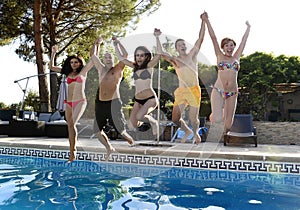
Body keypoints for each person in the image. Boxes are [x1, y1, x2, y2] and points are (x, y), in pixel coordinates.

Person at [202, 12, 250, 137]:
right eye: (227, 45)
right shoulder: (219, 55)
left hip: (232, 92)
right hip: (219, 90)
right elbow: (213, 38)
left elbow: (243, 42)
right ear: (223, 47)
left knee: (228, 125)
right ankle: (215, 114)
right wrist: (207, 20)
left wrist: (248, 28)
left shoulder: (236, 57)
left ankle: (221, 118)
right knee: (217, 119)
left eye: (231, 45)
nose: (230, 47)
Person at [162, 12, 206, 144]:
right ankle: (187, 131)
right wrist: (158, 37)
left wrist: (203, 22)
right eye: (179, 44)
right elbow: (162, 53)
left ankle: (196, 132)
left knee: (194, 118)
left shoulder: (192, 55)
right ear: (176, 48)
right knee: (175, 118)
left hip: (193, 90)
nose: (182, 45)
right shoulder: (175, 61)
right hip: (181, 91)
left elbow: (201, 38)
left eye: (183, 44)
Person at [90, 36, 135, 161]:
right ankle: (109, 147)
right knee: (97, 131)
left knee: (121, 132)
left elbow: (125, 55)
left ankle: (132, 142)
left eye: (110, 57)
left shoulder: (118, 68)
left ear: (113, 59)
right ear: (103, 60)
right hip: (100, 104)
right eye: (106, 57)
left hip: (114, 103)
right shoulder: (101, 69)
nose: (108, 59)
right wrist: (97, 43)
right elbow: (93, 55)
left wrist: (118, 43)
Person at [114, 28, 163, 138]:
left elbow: (159, 54)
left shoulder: (149, 66)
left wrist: (157, 37)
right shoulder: (134, 66)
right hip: (138, 100)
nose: (139, 57)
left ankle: (153, 122)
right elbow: (121, 58)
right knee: (133, 124)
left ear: (146, 56)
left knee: (140, 116)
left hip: (150, 98)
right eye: (137, 55)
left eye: (141, 55)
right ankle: (146, 119)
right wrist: (116, 44)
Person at [50, 45, 94, 163]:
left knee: (72, 123)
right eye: (71, 62)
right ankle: (72, 152)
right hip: (69, 102)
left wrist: (96, 45)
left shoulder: (84, 71)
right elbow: (51, 67)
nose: (73, 64)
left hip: (80, 101)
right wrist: (54, 53)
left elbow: (93, 59)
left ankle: (73, 152)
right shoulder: (67, 73)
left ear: (80, 63)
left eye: (76, 62)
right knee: (70, 125)